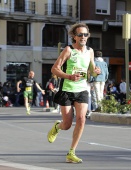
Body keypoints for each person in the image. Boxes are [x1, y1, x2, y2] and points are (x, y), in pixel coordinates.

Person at [47, 23, 100, 163]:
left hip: (82, 89)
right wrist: (69, 76)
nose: (83, 37)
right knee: (67, 124)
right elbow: (54, 69)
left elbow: (92, 70)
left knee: (82, 119)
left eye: (85, 34)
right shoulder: (68, 50)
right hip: (67, 90)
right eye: (80, 34)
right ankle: (58, 126)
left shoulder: (90, 51)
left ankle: (71, 152)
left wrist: (95, 71)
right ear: (74, 37)